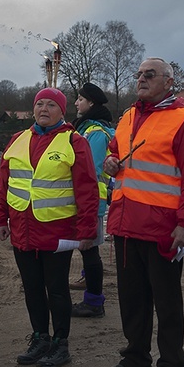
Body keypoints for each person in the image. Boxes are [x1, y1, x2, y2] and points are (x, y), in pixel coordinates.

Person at [101, 58, 184, 367]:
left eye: (150, 75)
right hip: (125, 225)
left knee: (167, 303)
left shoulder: (182, 121)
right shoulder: (128, 116)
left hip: (163, 230)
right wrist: (110, 160)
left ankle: (173, 366)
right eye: (139, 75)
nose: (142, 79)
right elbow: (115, 149)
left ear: (168, 82)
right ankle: (135, 360)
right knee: (133, 302)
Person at [0, 87, 99, 367]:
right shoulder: (18, 139)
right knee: (32, 289)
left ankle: (60, 343)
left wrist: (88, 230)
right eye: (40, 104)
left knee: (58, 290)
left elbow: (87, 189)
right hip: (22, 230)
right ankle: (40, 337)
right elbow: (3, 182)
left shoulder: (74, 142)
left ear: (62, 111)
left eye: (51, 104)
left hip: (57, 231)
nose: (43, 109)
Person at [70, 82, 115, 318]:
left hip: (92, 199)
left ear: (91, 103)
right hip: (88, 197)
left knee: (90, 249)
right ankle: (88, 282)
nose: (76, 103)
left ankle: (94, 300)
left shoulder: (96, 133)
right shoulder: (86, 128)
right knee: (87, 249)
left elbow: (92, 169)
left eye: (80, 99)